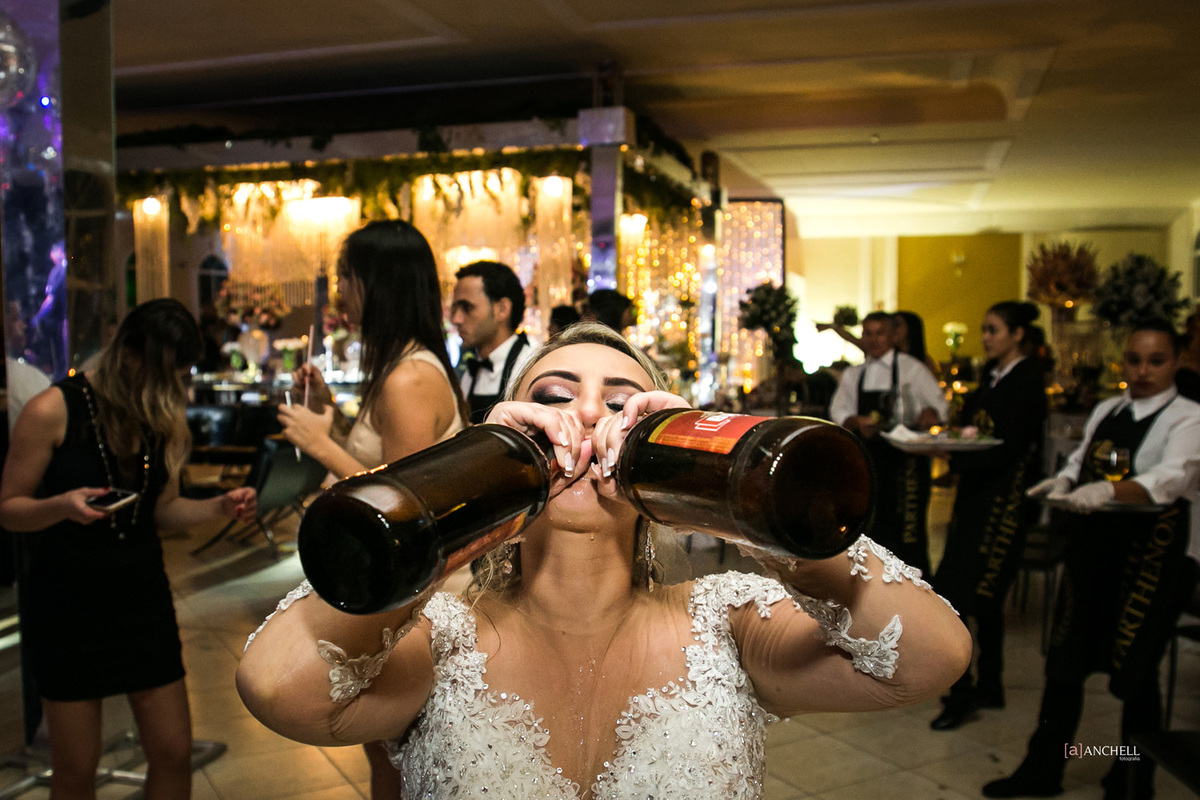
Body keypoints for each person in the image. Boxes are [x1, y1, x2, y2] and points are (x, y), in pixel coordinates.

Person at [236, 321, 972, 798]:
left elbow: (930, 658)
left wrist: (728, 491)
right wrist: (467, 479)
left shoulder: (729, 626)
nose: (588, 417)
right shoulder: (441, 641)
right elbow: (276, 688)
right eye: (555, 398)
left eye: (623, 403)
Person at [0, 298, 257, 800]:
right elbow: (9, 508)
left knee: (173, 752)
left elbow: (160, 511)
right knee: (76, 769)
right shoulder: (52, 408)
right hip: (67, 605)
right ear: (130, 355)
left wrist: (217, 508)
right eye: (169, 374)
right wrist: (62, 506)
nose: (173, 389)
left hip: (142, 599)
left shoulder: (152, 417)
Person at [276, 219, 468, 800]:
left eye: (347, 279)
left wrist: (321, 443)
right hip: (408, 589)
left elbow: (402, 507)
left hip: (420, 592)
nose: (340, 295)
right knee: (390, 754)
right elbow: (388, 462)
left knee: (397, 756)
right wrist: (333, 415)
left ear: (377, 286)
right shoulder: (407, 366)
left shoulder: (407, 377)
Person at [984, 319, 1200, 800]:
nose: (1142, 370)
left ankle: (1128, 777)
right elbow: (1080, 458)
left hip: (1151, 561)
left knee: (1135, 675)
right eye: (1134, 360)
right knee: (1065, 667)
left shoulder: (1190, 417)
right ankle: (1044, 768)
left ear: (1177, 361)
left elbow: (1172, 478)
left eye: (1156, 360)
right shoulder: (1108, 407)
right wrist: (1064, 482)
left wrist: (1107, 490)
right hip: (1091, 556)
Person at [929, 301, 1048, 731]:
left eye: (994, 329)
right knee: (979, 598)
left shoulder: (1027, 384)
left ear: (1018, 335)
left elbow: (1008, 447)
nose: (986, 337)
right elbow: (973, 430)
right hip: (976, 500)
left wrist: (955, 456)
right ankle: (988, 685)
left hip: (1003, 505)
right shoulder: (990, 379)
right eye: (984, 329)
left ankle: (961, 693)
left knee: (961, 596)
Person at [829, 310, 949, 574]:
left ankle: (915, 592)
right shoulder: (854, 374)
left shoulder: (911, 368)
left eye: (879, 333)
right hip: (867, 462)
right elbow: (838, 412)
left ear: (892, 336)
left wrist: (930, 414)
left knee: (908, 532)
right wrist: (854, 421)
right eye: (868, 334)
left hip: (907, 465)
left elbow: (939, 407)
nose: (873, 340)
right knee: (871, 527)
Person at [450, 260, 535, 424]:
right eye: (455, 309)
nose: (456, 319)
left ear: (502, 309)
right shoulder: (473, 369)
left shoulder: (530, 364)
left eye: (467, 307)